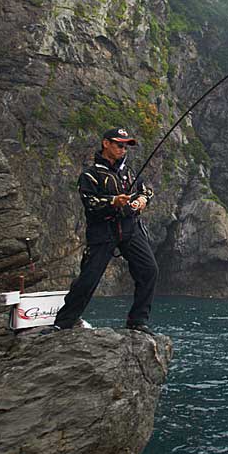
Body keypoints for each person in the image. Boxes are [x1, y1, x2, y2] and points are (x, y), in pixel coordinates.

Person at [50, 127, 158, 335]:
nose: (123, 149)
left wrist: (143, 200)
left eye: (126, 145)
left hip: (130, 229)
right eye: (119, 144)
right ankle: (63, 323)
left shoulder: (128, 172)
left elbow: (146, 191)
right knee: (89, 278)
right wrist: (114, 201)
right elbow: (89, 202)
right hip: (103, 232)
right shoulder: (90, 175)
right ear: (106, 143)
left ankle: (137, 321)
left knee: (149, 270)